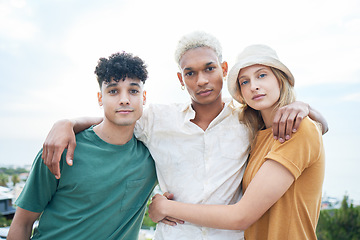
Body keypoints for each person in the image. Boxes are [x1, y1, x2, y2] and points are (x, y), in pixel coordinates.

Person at [41, 32, 328, 240]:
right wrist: (67, 122)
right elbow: (117, 119)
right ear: (181, 80)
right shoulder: (158, 120)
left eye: (209, 69)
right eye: (190, 73)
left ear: (223, 70)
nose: (201, 80)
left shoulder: (247, 118)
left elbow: (308, 129)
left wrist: (304, 106)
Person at [148, 44, 325, 240]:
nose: (254, 86)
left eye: (262, 75)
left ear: (280, 79)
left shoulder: (296, 129)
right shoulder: (257, 134)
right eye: (244, 81)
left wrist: (167, 207)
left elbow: (241, 217)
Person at [7, 52, 157, 239]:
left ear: (143, 97)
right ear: (100, 98)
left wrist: (70, 122)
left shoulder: (152, 155)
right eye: (113, 91)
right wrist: (67, 123)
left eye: (133, 91)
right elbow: (23, 222)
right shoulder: (62, 148)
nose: (124, 99)